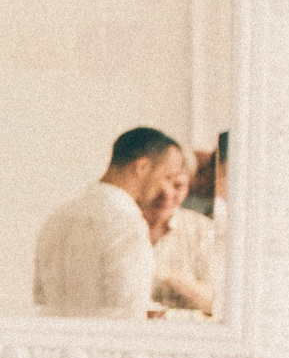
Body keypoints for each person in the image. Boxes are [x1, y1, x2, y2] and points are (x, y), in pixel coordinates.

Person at [32, 127, 186, 319]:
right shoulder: (127, 224)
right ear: (142, 167)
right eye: (167, 177)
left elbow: (40, 300)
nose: (169, 191)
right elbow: (130, 315)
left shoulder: (58, 217)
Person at [142, 148, 218, 316]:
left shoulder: (202, 229)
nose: (167, 194)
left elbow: (216, 303)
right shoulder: (124, 223)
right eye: (159, 184)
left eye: (178, 186)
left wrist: (169, 275)